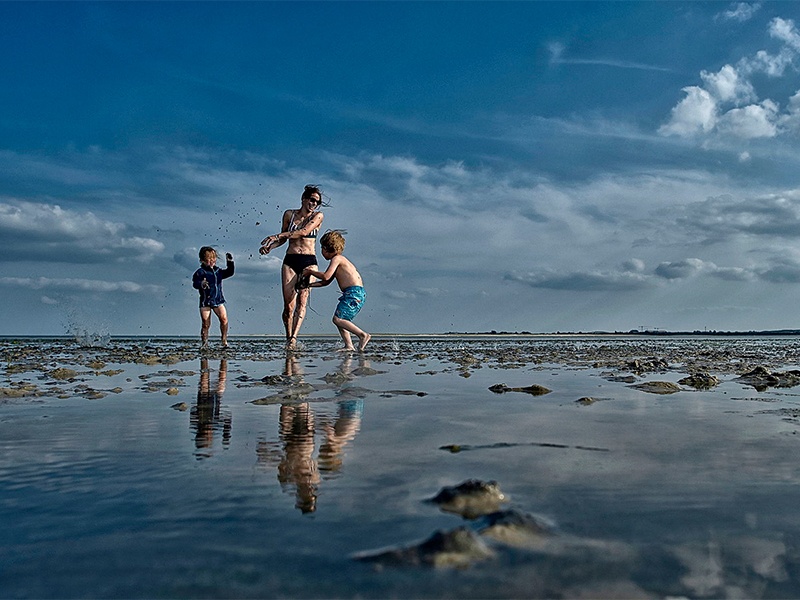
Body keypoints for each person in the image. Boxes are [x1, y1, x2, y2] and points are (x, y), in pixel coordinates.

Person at [259, 185, 325, 349]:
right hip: (291, 259)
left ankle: (294, 338)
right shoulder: (289, 214)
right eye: (311, 200)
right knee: (289, 305)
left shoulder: (317, 216)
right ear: (304, 199)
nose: (313, 204)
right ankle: (288, 335)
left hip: (309, 260)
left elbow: (303, 232)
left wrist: (277, 235)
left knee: (302, 302)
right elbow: (284, 239)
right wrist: (271, 247)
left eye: (317, 202)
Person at [302, 230, 370, 351]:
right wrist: (309, 285)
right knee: (341, 319)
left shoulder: (337, 259)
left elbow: (325, 276)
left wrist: (310, 272)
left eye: (322, 248)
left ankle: (362, 335)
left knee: (338, 320)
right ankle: (349, 345)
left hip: (353, 293)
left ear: (327, 248)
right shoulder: (339, 261)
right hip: (355, 293)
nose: (321, 252)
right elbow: (325, 282)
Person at [192, 246, 235, 349]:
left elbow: (230, 272)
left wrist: (230, 262)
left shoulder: (218, 271)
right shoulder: (200, 272)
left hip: (218, 300)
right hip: (205, 301)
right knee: (206, 323)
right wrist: (201, 283)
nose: (211, 261)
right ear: (202, 260)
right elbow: (195, 283)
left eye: (213, 258)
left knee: (224, 319)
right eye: (208, 259)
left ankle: (224, 340)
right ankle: (205, 343)